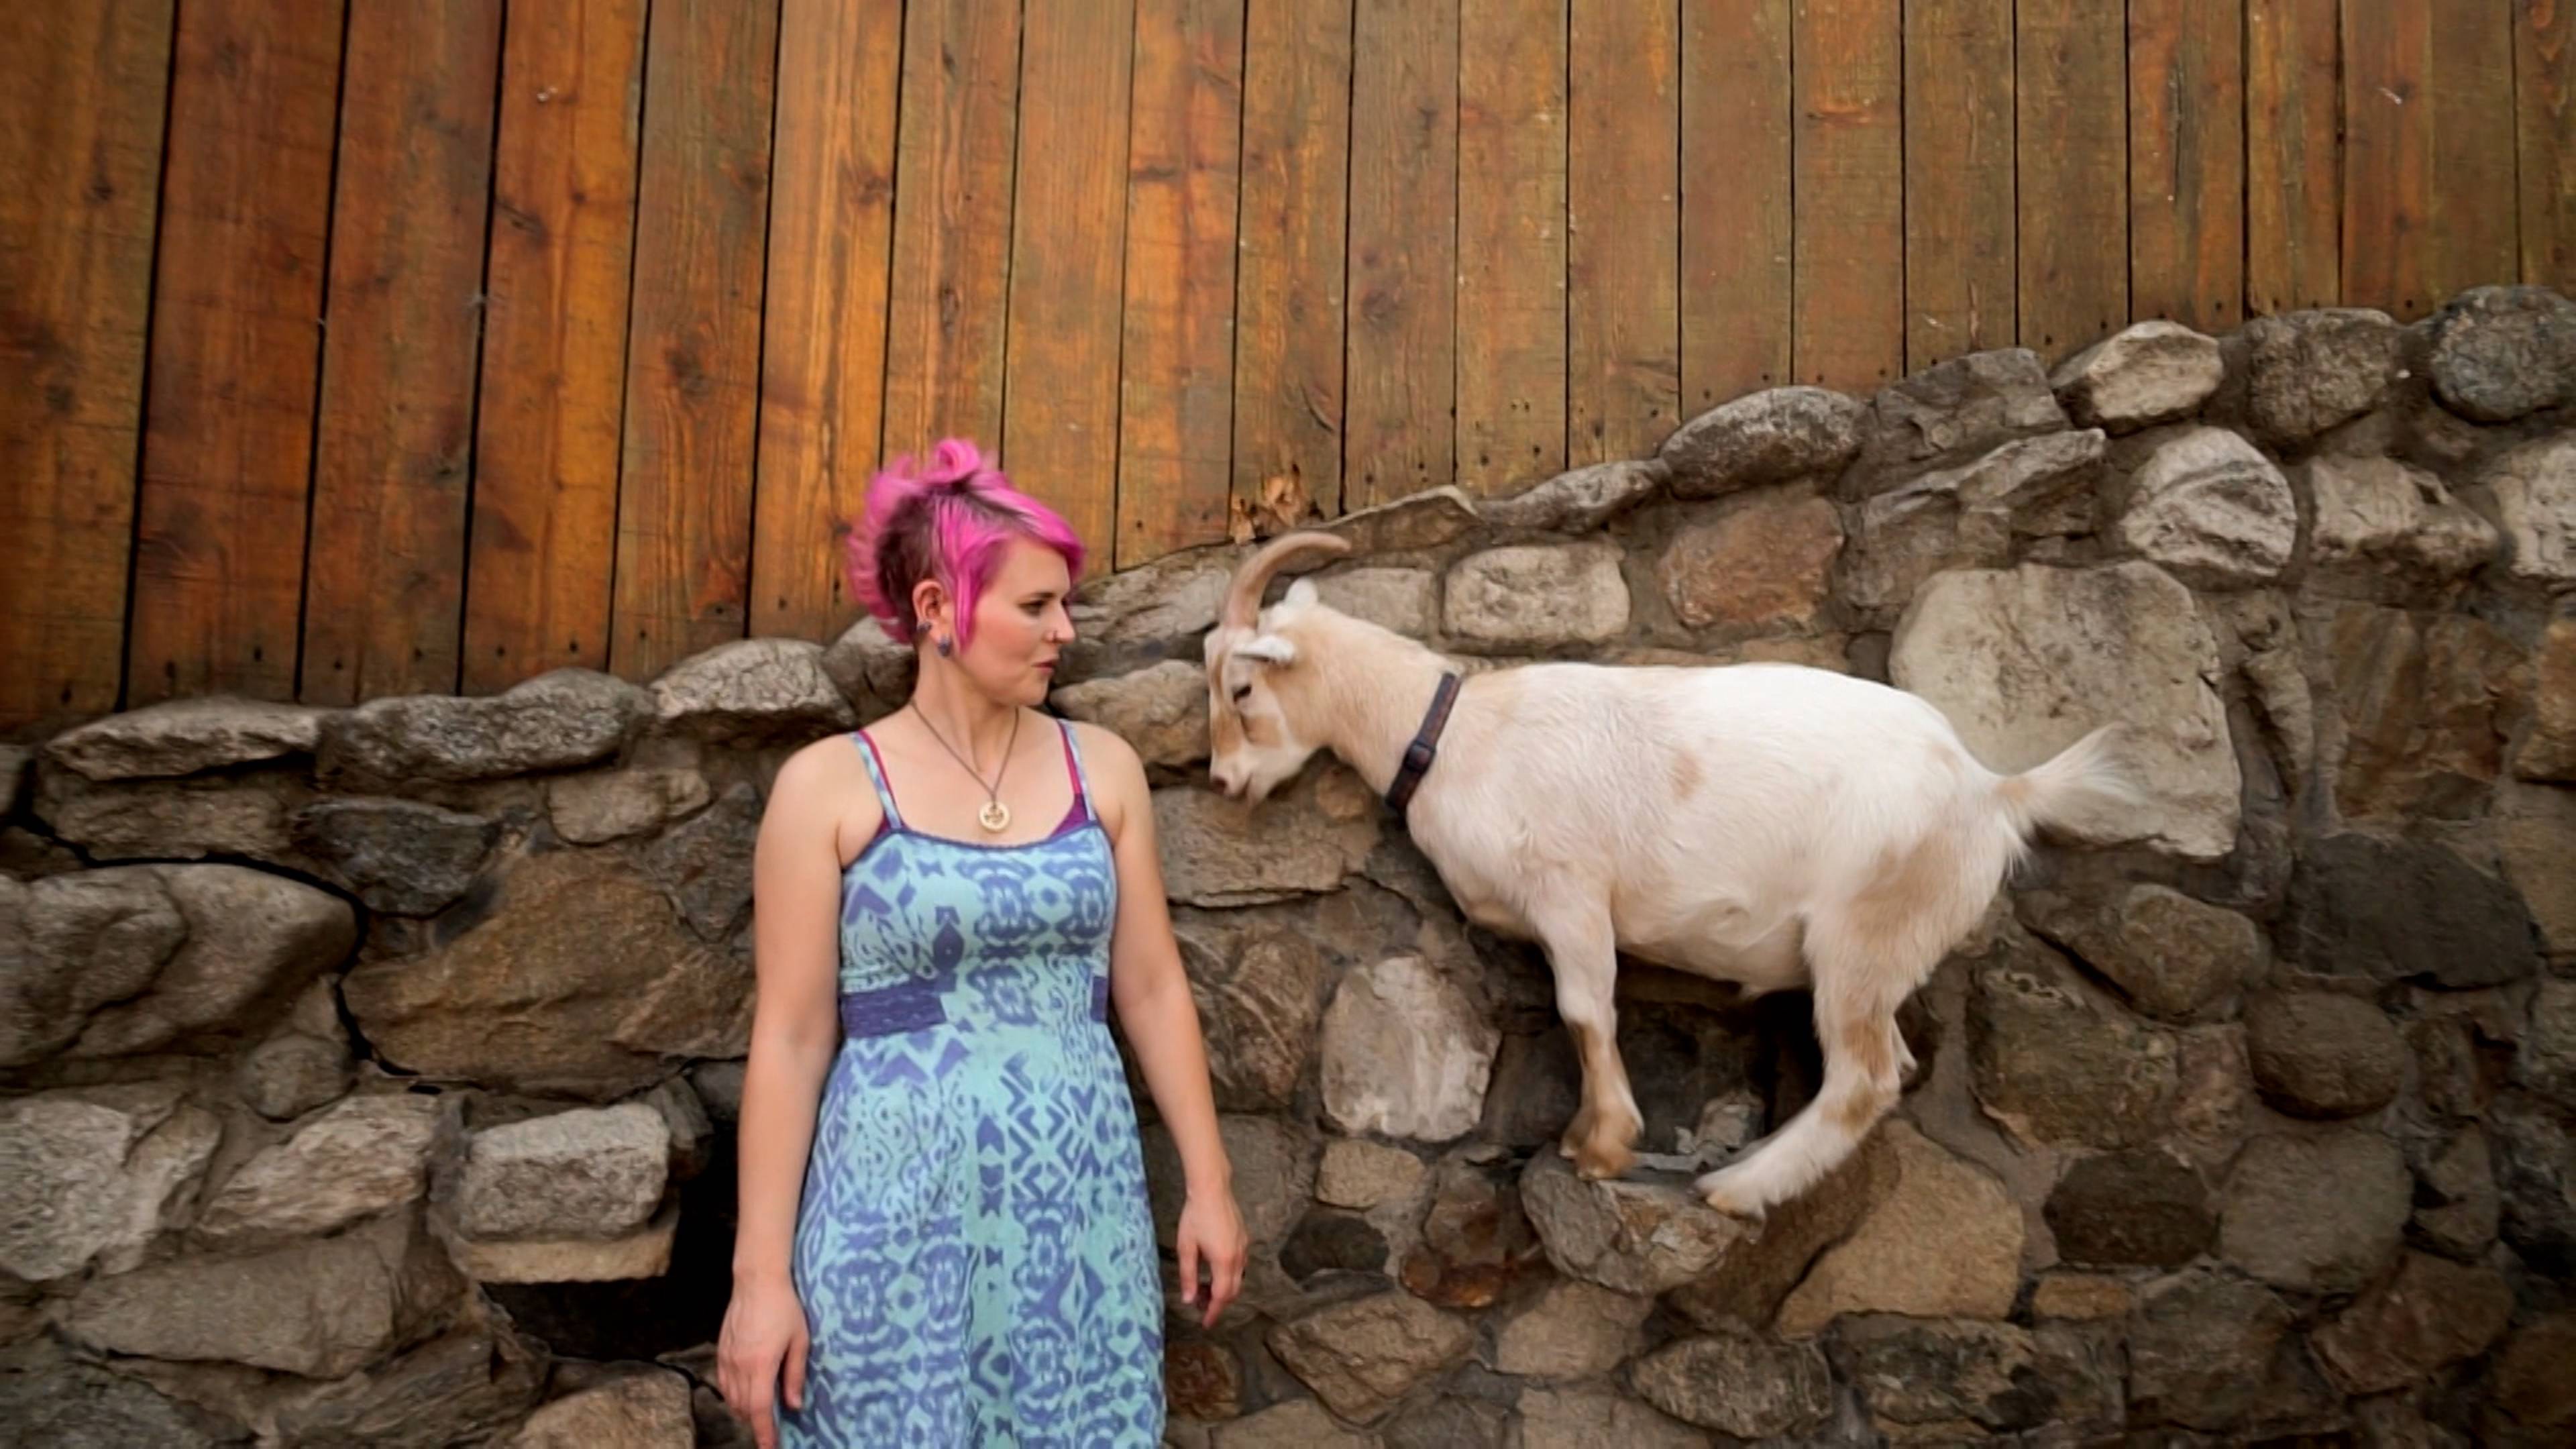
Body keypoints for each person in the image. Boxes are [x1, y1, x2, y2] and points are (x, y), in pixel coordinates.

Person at [716, 439, 1248, 1448]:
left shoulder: (1106, 770)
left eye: (1065, 604)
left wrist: (1210, 1188)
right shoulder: (828, 787)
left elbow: (1149, 986)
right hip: (889, 1224)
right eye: (1037, 607)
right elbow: (788, 1041)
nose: (1066, 631)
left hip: (1078, 1224)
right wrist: (760, 1282)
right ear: (936, 611)